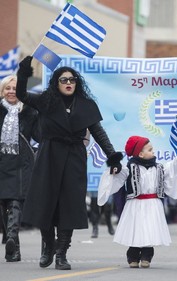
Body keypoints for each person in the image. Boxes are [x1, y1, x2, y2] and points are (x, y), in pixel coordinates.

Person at [16, 56, 123, 270]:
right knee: (46, 204)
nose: (68, 83)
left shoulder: (86, 105)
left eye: (72, 80)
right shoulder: (45, 100)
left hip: (74, 158)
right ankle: (48, 245)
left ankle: (61, 254)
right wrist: (23, 73)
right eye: (64, 79)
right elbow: (21, 95)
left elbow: (98, 133)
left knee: (69, 206)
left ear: (77, 83)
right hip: (48, 156)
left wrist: (112, 156)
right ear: (57, 82)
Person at [98, 136, 177, 268]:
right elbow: (119, 174)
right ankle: (133, 255)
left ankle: (147, 255)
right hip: (135, 204)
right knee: (136, 229)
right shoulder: (130, 167)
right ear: (140, 154)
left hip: (153, 204)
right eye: (150, 149)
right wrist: (115, 169)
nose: (153, 152)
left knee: (150, 230)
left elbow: (172, 170)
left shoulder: (158, 167)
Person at [0, 75, 39, 262]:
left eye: (15, 88)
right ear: (2, 91)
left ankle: (11, 240)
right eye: (8, 88)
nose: (11, 91)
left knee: (15, 203)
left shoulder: (30, 111)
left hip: (21, 164)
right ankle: (12, 248)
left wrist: (44, 111)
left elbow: (39, 135)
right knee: (3, 206)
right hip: (2, 163)